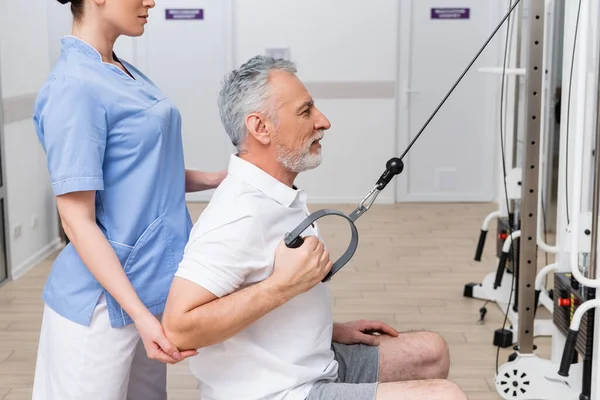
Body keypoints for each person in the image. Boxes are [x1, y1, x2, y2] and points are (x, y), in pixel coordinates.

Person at [162, 55, 469, 400]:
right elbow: (179, 328)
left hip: (307, 360)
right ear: (260, 128)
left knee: (431, 352)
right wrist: (282, 287)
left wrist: (329, 330)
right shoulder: (238, 214)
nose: (323, 122)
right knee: (446, 396)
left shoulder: (277, 193)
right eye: (305, 112)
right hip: (275, 391)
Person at [31, 0, 226, 398]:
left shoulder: (120, 70)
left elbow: (143, 171)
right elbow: (75, 220)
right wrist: (140, 316)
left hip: (151, 285)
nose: (150, 1)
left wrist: (221, 179)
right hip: (102, 304)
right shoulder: (74, 85)